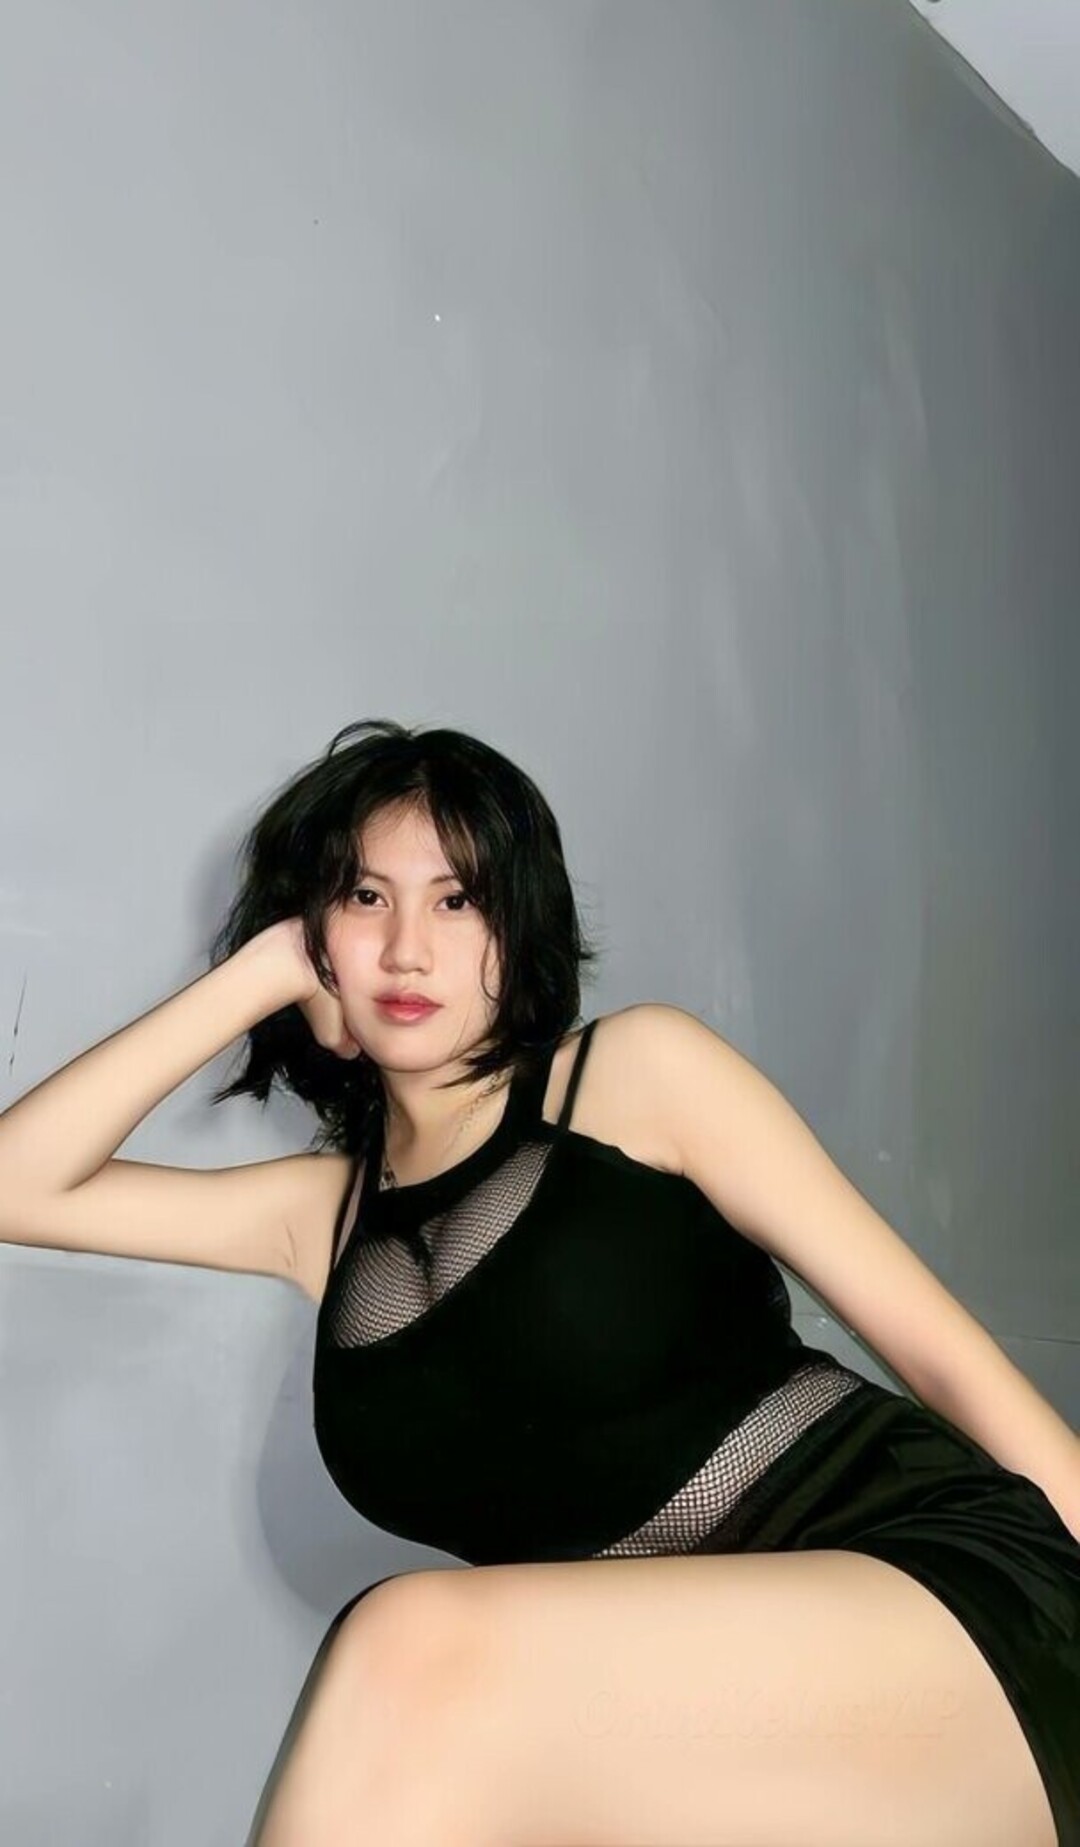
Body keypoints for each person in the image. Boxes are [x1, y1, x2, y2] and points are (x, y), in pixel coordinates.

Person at [1, 718, 1077, 1847]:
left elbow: (945, 1356)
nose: (407, 948)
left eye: (457, 899)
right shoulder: (321, 1221)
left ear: (519, 926)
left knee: (407, 1650)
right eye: (364, 898)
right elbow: (21, 1185)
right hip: (676, 1721)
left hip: (937, 1600)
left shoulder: (635, 1077)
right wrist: (261, 972)